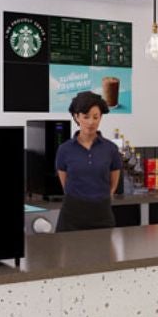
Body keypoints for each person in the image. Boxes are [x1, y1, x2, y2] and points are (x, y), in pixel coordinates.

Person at [54, 91, 122, 232]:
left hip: (102, 215)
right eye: (86, 117)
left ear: (101, 117)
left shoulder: (111, 149)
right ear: (76, 117)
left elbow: (113, 183)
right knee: (69, 253)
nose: (91, 122)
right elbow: (65, 185)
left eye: (96, 117)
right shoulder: (64, 149)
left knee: (104, 253)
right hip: (72, 216)